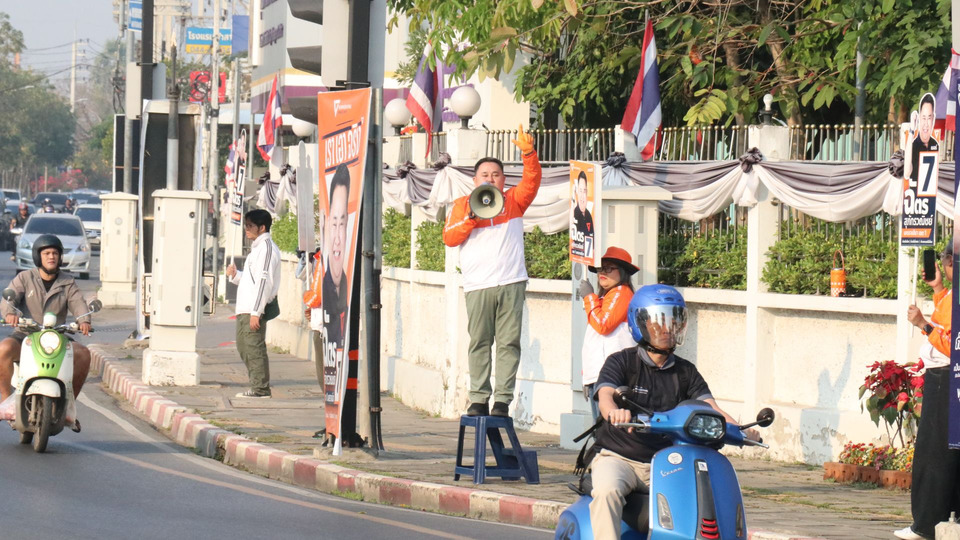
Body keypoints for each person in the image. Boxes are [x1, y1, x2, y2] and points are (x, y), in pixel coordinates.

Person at [589, 284, 759, 539]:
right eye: (659, 322)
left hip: (668, 461)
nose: (667, 329)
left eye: (673, 321)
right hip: (621, 458)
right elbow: (605, 395)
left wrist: (741, 430)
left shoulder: (686, 372)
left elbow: (712, 408)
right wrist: (614, 412)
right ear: (641, 324)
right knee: (607, 491)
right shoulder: (621, 361)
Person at [442, 125, 541, 417]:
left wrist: (529, 153)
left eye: (496, 174)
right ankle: (478, 399)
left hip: (511, 282)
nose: (490, 178)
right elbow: (450, 237)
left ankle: (502, 401)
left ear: (503, 179)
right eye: (484, 175)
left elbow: (532, 181)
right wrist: (472, 217)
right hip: (478, 285)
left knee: (508, 343)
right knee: (480, 343)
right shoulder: (462, 205)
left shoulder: (514, 200)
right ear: (475, 180)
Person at [898, 240, 960, 540]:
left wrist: (923, 324)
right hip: (942, 379)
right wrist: (937, 288)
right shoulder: (950, 296)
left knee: (935, 456)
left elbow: (951, 344)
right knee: (944, 454)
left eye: (947, 261)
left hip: (947, 379)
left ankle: (927, 523)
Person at [0, 234, 92, 431]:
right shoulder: (24, 278)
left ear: (60, 257)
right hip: (26, 334)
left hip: (56, 336)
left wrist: (84, 320)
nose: (51, 257)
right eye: (47, 253)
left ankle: (69, 407)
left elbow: (78, 303)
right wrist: (9, 313)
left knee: (83, 354)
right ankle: (6, 402)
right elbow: (9, 299)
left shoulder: (67, 282)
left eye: (55, 253)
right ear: (38, 256)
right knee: (3, 349)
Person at [226, 209, 281, 398]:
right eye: (246, 225)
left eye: (250, 226)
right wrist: (236, 275)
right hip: (245, 308)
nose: (246, 229)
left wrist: (256, 312)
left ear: (262, 227)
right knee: (244, 347)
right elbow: (252, 279)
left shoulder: (267, 249)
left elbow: (264, 282)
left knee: (254, 348)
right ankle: (257, 385)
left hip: (253, 309)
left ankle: (260, 389)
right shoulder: (256, 249)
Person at [578, 247, 638, 421]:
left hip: (612, 375)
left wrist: (589, 298)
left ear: (623, 272)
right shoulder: (607, 296)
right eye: (600, 269)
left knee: (609, 429)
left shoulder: (622, 293)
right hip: (600, 375)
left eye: (609, 268)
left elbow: (603, 325)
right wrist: (588, 377)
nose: (602, 272)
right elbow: (595, 340)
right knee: (602, 429)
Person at [906, 94, 938, 185]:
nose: (926, 124)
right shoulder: (913, 145)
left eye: (929, 118)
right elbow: (907, 173)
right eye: (924, 118)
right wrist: (912, 130)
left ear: (933, 119)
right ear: (919, 118)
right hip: (914, 192)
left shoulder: (936, 144)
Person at [572, 171, 595, 259]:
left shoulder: (589, 215)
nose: (582, 196)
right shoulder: (575, 213)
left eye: (584, 191)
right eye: (580, 191)